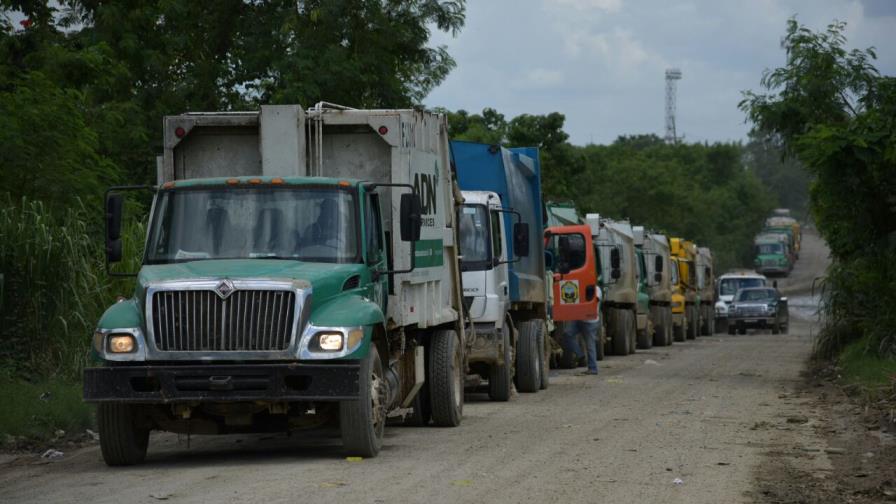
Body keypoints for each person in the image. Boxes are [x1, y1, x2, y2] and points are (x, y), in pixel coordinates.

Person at [561, 285, 601, 375]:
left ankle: (593, 369)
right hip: (579, 319)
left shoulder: (597, 289)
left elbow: (594, 300)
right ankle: (580, 355)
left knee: (590, 345)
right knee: (567, 334)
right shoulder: (578, 285)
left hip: (590, 321)